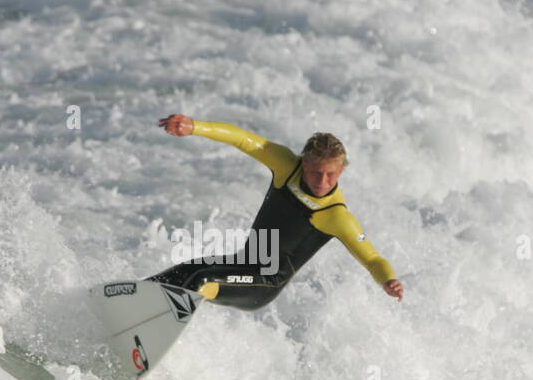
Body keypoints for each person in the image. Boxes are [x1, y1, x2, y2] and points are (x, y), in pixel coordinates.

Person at [147, 114, 404, 310]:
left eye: (331, 174)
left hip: (263, 284)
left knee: (200, 281)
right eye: (315, 171)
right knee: (181, 273)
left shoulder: (337, 216)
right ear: (304, 163)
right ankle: (124, 308)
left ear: (342, 170)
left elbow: (372, 259)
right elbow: (242, 139)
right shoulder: (286, 166)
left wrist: (388, 280)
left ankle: (149, 332)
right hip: (241, 263)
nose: (322, 180)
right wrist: (195, 126)